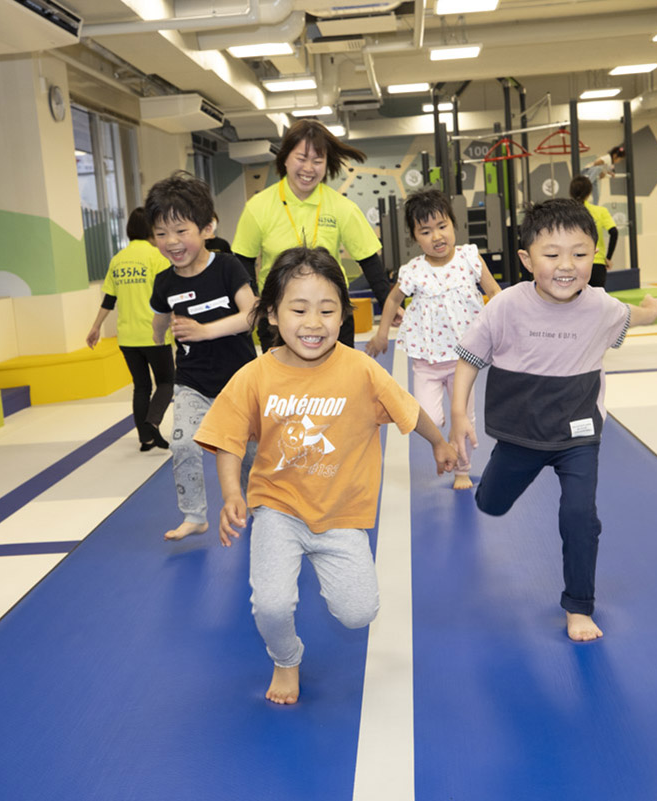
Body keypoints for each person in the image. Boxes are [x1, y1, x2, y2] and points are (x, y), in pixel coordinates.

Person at [194, 246, 457, 705]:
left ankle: (327, 576)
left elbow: (408, 410)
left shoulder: (360, 371)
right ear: (273, 314)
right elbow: (228, 439)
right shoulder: (254, 377)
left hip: (341, 514)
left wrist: (439, 442)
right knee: (272, 604)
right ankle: (286, 657)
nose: (313, 322)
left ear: (343, 316)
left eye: (327, 309)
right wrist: (232, 493)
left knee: (359, 613)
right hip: (278, 507)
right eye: (299, 309)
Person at [448, 199, 657, 643]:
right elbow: (468, 360)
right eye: (552, 255)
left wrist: (651, 310)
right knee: (490, 503)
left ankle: (578, 605)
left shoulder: (602, 307)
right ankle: (493, 489)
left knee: (580, 515)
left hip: (578, 434)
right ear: (526, 259)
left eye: (580, 254)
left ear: (594, 257)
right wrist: (457, 416)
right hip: (519, 435)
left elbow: (631, 316)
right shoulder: (505, 306)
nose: (567, 265)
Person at [365, 188, 502, 489]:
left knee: (463, 417)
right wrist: (382, 333)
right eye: (426, 231)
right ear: (415, 238)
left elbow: (494, 291)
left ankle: (462, 470)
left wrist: (505, 326)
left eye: (442, 226)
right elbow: (391, 301)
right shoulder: (414, 271)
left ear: (454, 225)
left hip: (464, 360)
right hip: (426, 360)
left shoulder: (470, 258)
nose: (437, 236)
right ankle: (441, 444)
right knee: (427, 417)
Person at [147, 171, 258, 540]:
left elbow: (252, 314)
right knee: (182, 442)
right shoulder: (165, 282)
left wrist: (205, 330)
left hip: (239, 380)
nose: (171, 242)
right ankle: (195, 515)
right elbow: (160, 314)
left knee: (249, 452)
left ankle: (257, 504)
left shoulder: (227, 267)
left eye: (181, 231)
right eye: (161, 234)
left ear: (207, 227)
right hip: (192, 379)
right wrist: (158, 333)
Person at [232, 120, 393, 351]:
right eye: (301, 158)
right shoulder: (258, 207)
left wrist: (389, 303)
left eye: (318, 161)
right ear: (285, 158)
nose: (309, 168)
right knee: (284, 385)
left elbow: (369, 260)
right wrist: (255, 305)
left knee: (337, 385)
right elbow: (243, 262)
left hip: (331, 313)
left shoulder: (341, 207)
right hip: (278, 316)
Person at [86, 209, 174, 451]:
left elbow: (109, 300)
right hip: (154, 334)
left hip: (127, 336)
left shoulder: (118, 259)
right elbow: (168, 295)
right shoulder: (157, 257)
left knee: (142, 386)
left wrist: (95, 327)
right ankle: (153, 423)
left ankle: (145, 439)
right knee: (167, 382)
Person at [569, 175, 619, 288]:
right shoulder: (600, 211)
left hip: (573, 264)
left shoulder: (567, 213)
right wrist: (608, 257)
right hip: (597, 263)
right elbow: (614, 232)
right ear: (589, 192)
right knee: (597, 303)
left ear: (571, 192)